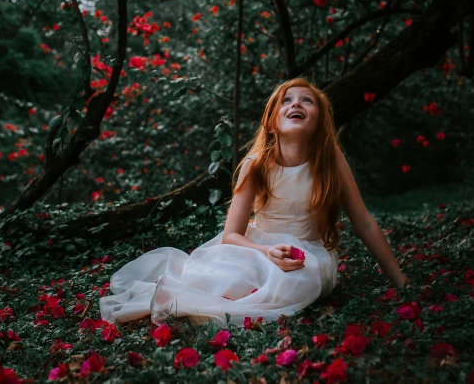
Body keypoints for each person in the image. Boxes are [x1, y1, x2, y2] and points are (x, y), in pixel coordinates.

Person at [98, 77, 408, 328]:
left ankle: (221, 303)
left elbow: (364, 222)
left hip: (307, 252)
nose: (296, 103)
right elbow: (231, 234)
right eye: (286, 100)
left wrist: (401, 282)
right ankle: (184, 298)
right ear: (272, 123)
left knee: (299, 279)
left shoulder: (331, 161)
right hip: (256, 247)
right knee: (222, 275)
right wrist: (266, 251)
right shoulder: (256, 164)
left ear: (319, 123)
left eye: (306, 100)